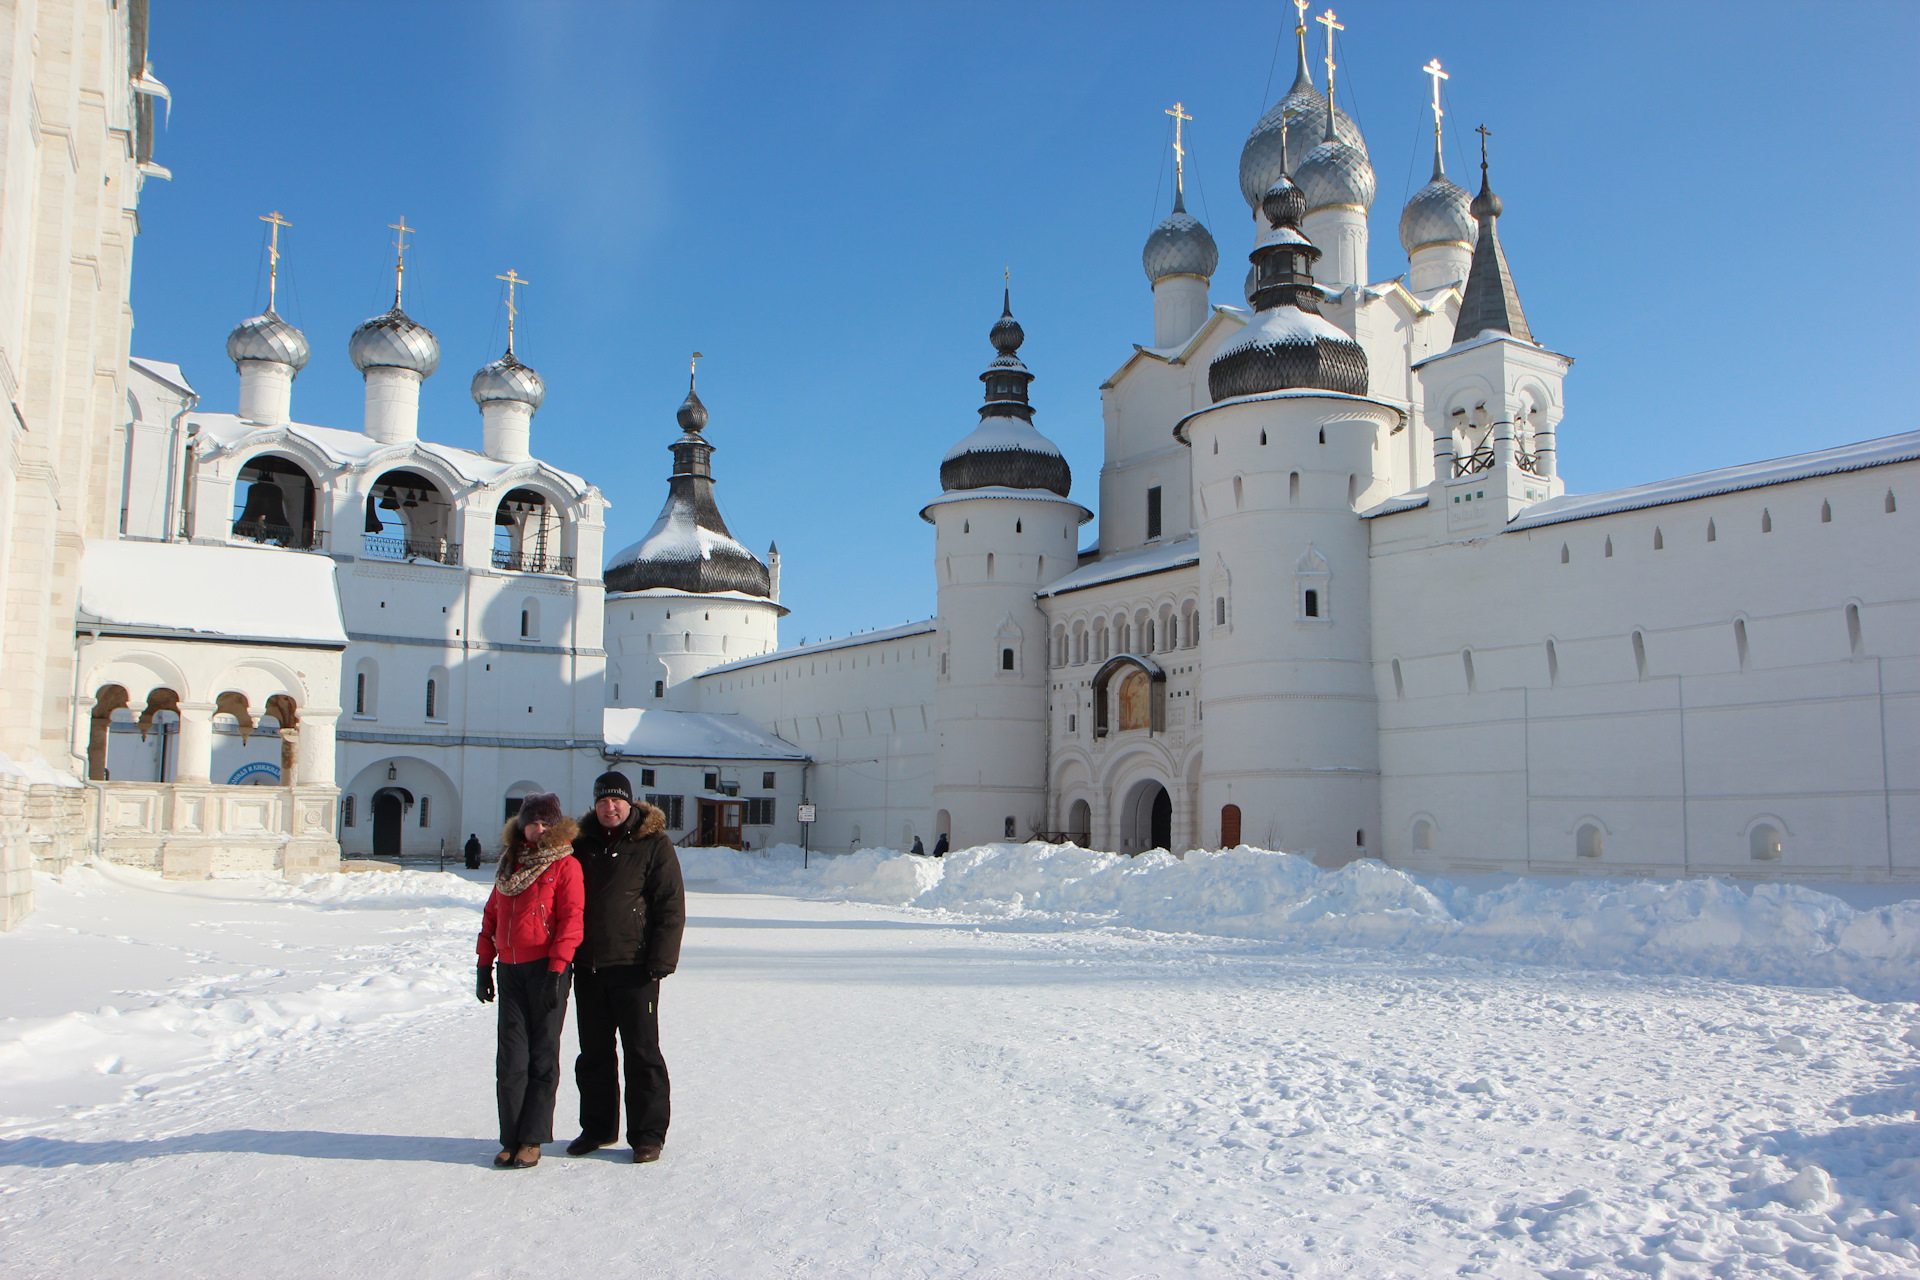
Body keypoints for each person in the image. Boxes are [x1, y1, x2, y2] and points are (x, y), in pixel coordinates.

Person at [567, 770, 685, 1164]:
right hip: (589, 967)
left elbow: (670, 905)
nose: (610, 807)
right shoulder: (580, 844)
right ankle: (597, 1127)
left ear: (630, 802)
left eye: (616, 800)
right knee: (594, 1054)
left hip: (635, 968)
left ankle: (648, 1134)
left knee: (641, 1052)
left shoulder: (654, 843)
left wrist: (661, 960)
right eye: (603, 801)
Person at [476, 793, 582, 1170]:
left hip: (546, 970)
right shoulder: (510, 865)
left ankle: (533, 1138)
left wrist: (557, 970)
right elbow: (492, 915)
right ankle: (512, 1136)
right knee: (511, 1058)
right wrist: (483, 966)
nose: (538, 829)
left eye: (545, 823)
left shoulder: (565, 865)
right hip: (510, 970)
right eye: (532, 822)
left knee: (541, 1056)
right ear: (521, 825)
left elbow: (571, 921)